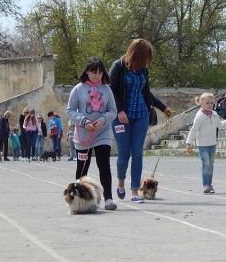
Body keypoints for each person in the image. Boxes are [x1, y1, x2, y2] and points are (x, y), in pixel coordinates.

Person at [109, 39, 172, 203]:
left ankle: (135, 191)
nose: (147, 61)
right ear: (137, 54)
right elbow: (110, 90)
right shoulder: (119, 66)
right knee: (124, 154)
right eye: (145, 57)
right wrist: (120, 110)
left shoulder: (143, 71)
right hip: (121, 118)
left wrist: (163, 107)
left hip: (141, 116)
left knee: (137, 153)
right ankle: (121, 182)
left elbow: (147, 94)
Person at [66, 57, 118, 211]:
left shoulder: (107, 90)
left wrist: (102, 120)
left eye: (100, 73)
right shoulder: (78, 89)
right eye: (93, 72)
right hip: (83, 135)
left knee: (104, 165)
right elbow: (70, 110)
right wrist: (83, 121)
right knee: (82, 167)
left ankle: (108, 198)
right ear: (87, 71)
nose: (96, 76)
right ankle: (77, 199)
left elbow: (113, 111)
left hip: (102, 132)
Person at [185, 93, 226, 194]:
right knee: (206, 164)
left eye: (211, 103)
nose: (210, 105)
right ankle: (206, 185)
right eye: (207, 103)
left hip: (212, 144)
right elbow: (193, 131)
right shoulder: (199, 117)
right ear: (201, 103)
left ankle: (210, 185)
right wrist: (188, 143)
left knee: (211, 165)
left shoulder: (214, 114)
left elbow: (220, 125)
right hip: (203, 145)